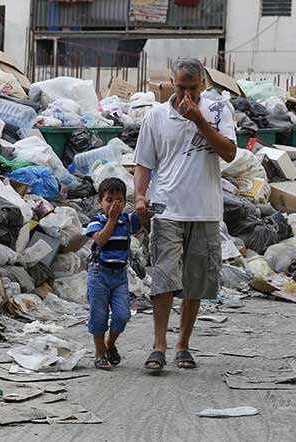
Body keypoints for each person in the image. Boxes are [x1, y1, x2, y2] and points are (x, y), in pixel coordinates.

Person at [134, 57, 237, 371]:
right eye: (182, 88)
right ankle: (159, 345)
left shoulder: (219, 111)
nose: (188, 95)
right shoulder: (156, 117)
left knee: (195, 282)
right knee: (163, 279)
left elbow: (230, 153)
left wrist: (200, 122)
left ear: (203, 84)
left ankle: (183, 344)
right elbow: (143, 162)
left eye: (193, 89)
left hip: (204, 211)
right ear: (171, 83)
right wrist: (140, 196)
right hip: (167, 208)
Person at [85, 177, 143, 370]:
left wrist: (146, 206)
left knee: (122, 315)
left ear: (125, 202)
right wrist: (111, 218)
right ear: (100, 202)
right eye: (109, 200)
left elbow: (143, 218)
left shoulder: (127, 220)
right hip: (99, 273)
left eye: (118, 200)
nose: (113, 204)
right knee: (99, 316)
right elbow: (100, 240)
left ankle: (110, 344)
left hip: (119, 276)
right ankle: (100, 353)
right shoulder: (97, 220)